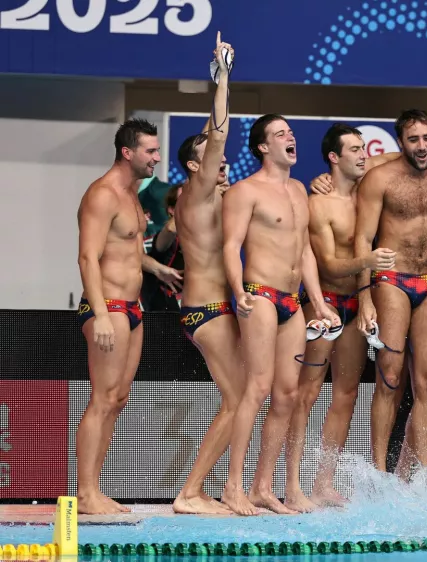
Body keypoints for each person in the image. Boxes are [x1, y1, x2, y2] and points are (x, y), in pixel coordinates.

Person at [221, 113, 341, 516]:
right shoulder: (245, 191)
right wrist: (238, 292)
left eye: (290, 132)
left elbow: (305, 250)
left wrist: (320, 301)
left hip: (292, 301)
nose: (290, 137)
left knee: (287, 395)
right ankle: (232, 486)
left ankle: (262, 486)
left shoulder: (299, 192)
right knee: (257, 388)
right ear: (262, 146)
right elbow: (231, 245)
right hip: (260, 296)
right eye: (279, 134)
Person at [284, 123, 396, 511]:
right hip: (324, 305)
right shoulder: (320, 204)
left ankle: (323, 483)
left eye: (364, 148)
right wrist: (367, 260)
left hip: (354, 307)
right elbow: (330, 266)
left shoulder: (367, 197)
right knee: (306, 394)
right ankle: (293, 483)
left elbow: (394, 156)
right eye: (354, 149)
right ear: (334, 157)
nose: (363, 154)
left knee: (346, 395)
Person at [354, 109, 427, 474]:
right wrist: (365, 297)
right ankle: (379, 472)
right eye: (414, 139)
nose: (422, 146)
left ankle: (418, 474)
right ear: (400, 143)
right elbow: (362, 240)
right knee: (389, 375)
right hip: (391, 280)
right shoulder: (379, 179)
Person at [170, 34, 243, 515]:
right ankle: (191, 492)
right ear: (196, 167)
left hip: (215, 309)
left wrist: (214, 73)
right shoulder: (193, 196)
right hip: (207, 311)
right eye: (209, 158)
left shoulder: (214, 195)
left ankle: (202, 489)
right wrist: (223, 79)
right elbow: (214, 137)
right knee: (237, 401)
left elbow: (206, 137)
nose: (219, 161)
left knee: (240, 399)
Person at [75, 117, 162, 515]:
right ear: (127, 152)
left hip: (132, 306)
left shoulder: (133, 194)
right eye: (150, 151)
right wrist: (101, 314)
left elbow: (128, 249)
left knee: (118, 399)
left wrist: (159, 270)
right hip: (106, 305)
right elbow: (88, 257)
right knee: (103, 397)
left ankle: (95, 489)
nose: (156, 158)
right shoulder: (103, 194)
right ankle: (86, 493)